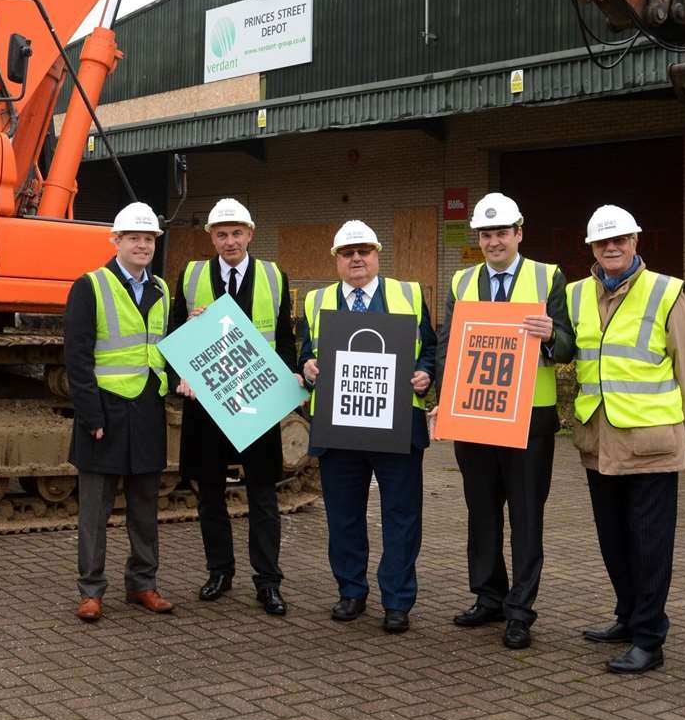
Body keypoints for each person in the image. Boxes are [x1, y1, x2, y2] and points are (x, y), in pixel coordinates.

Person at [566, 204, 685, 673]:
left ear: (635, 241)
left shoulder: (665, 291)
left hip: (651, 445)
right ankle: (627, 615)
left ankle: (649, 638)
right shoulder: (577, 293)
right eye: (603, 242)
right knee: (613, 539)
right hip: (598, 440)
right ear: (592, 249)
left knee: (649, 544)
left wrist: (668, 426)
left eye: (620, 239)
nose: (612, 247)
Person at [439, 192, 575, 650]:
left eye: (501, 232)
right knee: (481, 512)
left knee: (525, 515)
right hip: (475, 414)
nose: (493, 241)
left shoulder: (547, 276)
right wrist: (442, 397)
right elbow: (447, 345)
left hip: (530, 419)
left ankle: (520, 611)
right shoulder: (462, 281)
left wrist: (551, 333)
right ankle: (489, 597)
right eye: (486, 234)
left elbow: (568, 345)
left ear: (519, 233)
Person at [298, 220, 436, 634]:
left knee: (401, 515)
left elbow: (429, 347)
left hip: (398, 425)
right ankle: (351, 591)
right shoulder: (315, 301)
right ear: (337, 261)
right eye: (347, 253)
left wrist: (426, 373)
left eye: (364, 251)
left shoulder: (408, 294)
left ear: (377, 255)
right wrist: (306, 368)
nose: (356, 259)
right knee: (343, 516)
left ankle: (397, 600)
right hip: (340, 428)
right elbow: (306, 354)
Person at [172, 198, 296, 616]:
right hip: (207, 405)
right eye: (221, 234)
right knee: (210, 494)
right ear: (212, 236)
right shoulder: (190, 276)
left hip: (256, 403)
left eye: (236, 233)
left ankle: (268, 581)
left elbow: (285, 340)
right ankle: (219, 572)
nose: (230, 241)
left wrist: (292, 378)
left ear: (250, 234)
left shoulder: (274, 277)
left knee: (262, 494)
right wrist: (183, 368)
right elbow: (173, 336)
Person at [63, 201, 177, 623]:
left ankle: (142, 584)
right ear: (117, 241)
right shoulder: (90, 286)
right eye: (135, 238)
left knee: (146, 506)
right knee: (95, 510)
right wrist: (91, 417)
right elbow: (76, 358)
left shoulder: (162, 290)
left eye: (149, 239)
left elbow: (164, 347)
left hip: (147, 409)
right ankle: (91, 591)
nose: (143, 245)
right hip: (105, 413)